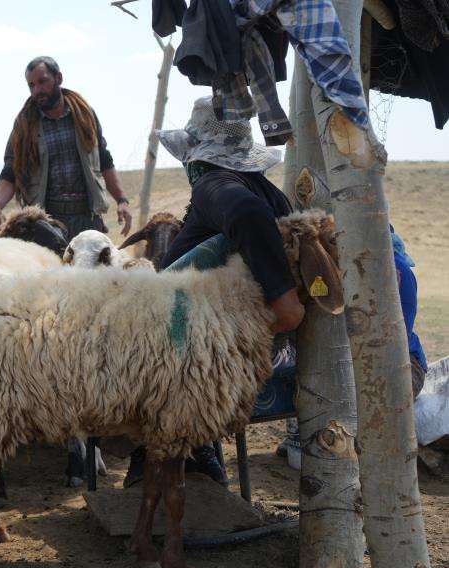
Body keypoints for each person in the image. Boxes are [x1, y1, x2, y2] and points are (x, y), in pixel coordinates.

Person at [125, 95, 304, 487]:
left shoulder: (213, 183)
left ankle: (185, 453)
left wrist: (283, 301)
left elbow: (246, 215)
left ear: (198, 155)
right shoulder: (262, 189)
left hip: (203, 347)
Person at [276, 227, 429, 465]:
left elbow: (395, 342)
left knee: (371, 388)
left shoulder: (397, 272)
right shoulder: (325, 266)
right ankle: (302, 433)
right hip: (336, 359)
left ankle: (364, 447)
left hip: (396, 362)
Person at [0, 56, 133, 240]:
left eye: (42, 82)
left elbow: (104, 159)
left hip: (87, 217)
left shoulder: (84, 115)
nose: (37, 90)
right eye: (31, 85)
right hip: (46, 221)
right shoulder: (25, 125)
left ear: (59, 78)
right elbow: (11, 171)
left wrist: (122, 201)